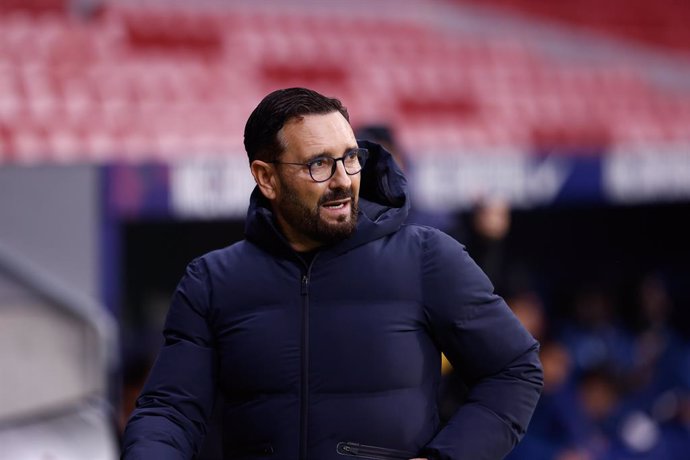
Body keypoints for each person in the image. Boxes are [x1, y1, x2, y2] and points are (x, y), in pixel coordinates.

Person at [121, 87, 543, 460]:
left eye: (350, 159)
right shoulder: (211, 281)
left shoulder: (427, 257)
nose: (343, 180)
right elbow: (170, 411)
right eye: (318, 164)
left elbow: (513, 369)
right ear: (265, 178)